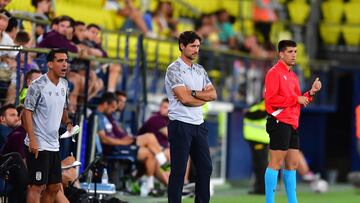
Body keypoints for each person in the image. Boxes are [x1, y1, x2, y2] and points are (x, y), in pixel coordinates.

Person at [264, 40, 322, 203]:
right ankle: (269, 201)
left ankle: (293, 201)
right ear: (280, 54)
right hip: (279, 121)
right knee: (275, 163)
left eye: (295, 51)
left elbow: (299, 101)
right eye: (290, 52)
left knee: (293, 164)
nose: (294, 55)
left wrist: (311, 92)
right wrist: (296, 98)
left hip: (292, 123)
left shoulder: (293, 76)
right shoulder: (274, 73)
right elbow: (272, 99)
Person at [165, 31, 217, 203]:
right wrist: (200, 98)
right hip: (180, 124)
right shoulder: (174, 69)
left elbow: (213, 94)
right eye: (193, 46)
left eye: (198, 47)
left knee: (205, 167)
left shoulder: (199, 69)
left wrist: (193, 93)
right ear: (182, 46)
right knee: (179, 171)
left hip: (198, 124)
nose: (196, 50)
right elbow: (184, 99)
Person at [23, 48, 74, 203]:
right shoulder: (38, 85)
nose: (65, 64)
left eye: (66, 61)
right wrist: (32, 140)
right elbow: (26, 113)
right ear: (50, 64)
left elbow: (63, 108)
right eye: (60, 61)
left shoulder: (65, 84)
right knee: (36, 187)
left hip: (54, 144)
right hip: (39, 144)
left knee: (53, 187)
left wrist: (68, 122)